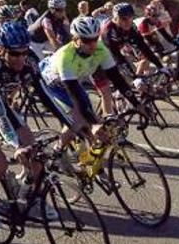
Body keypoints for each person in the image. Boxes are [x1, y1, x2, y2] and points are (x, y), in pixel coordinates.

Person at [0, 21, 62, 227]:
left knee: (37, 156)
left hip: (3, 110)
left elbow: (47, 97)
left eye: (25, 52)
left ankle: (28, 198)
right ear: (0, 49)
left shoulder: (30, 62)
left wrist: (74, 127)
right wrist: (16, 146)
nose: (21, 59)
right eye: (15, 54)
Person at [39, 17, 148, 150]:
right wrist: (92, 123)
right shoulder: (66, 56)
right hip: (51, 83)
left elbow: (117, 79)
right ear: (76, 39)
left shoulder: (100, 50)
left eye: (95, 39)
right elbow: (73, 93)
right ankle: (58, 150)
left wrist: (136, 103)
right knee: (78, 121)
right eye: (86, 40)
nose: (92, 44)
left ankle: (88, 157)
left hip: (72, 81)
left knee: (90, 118)